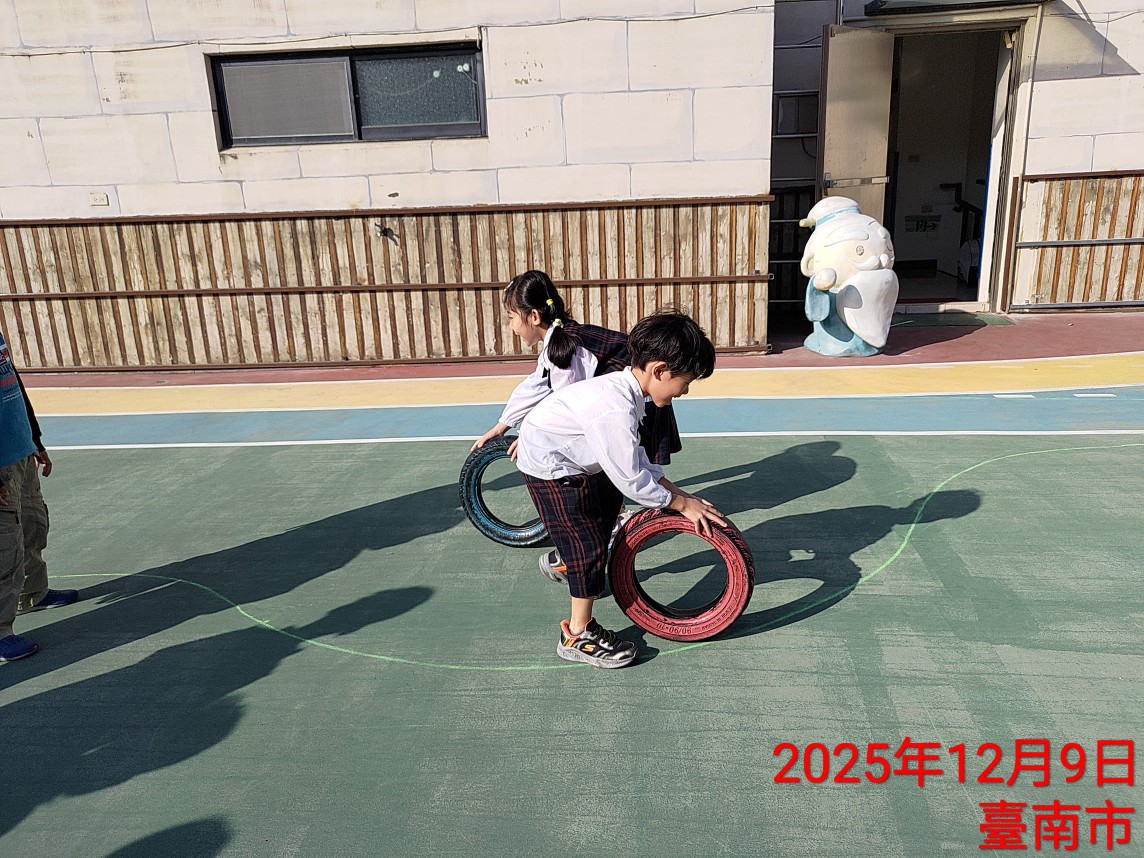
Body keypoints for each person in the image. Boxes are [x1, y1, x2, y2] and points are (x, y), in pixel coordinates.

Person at [514, 309, 726, 669]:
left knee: (608, 509)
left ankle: (569, 564)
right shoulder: (615, 408)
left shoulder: (629, 393)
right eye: (686, 382)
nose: (685, 391)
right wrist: (677, 504)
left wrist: (682, 495)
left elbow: (636, 461)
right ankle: (577, 634)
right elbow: (632, 480)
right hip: (551, 466)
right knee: (587, 541)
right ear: (660, 370)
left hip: (576, 456)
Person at [1, 329, 78, 663]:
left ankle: (33, 592)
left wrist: (34, 437)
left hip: (19, 449)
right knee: (4, 546)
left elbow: (13, 387)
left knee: (33, 524)